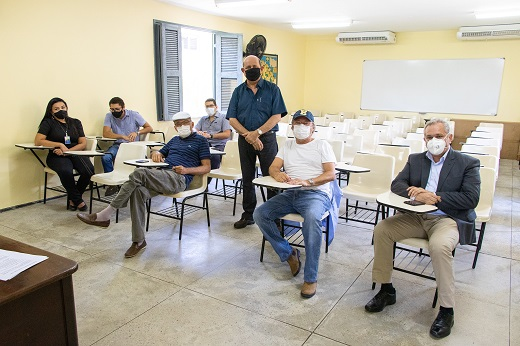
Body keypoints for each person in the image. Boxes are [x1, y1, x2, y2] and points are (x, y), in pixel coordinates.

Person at [365, 118, 480, 339]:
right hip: (416, 217)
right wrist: (417, 193)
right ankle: (386, 289)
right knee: (382, 229)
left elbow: (471, 198)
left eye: (438, 136)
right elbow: (397, 184)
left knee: (439, 246)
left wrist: (435, 198)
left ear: (449, 137)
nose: (433, 141)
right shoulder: (416, 159)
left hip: (446, 219)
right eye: (429, 137)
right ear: (424, 139)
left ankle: (447, 310)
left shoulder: (467, 163)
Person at [77, 112, 210, 258]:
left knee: (140, 173)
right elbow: (160, 151)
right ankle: (139, 241)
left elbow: (206, 167)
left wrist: (187, 170)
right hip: (162, 176)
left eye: (185, 123)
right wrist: (157, 153)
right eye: (178, 124)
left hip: (179, 179)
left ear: (191, 124)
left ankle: (106, 214)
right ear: (175, 127)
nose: (182, 126)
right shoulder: (174, 140)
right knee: (138, 191)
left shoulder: (200, 141)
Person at [253, 110, 337, 298]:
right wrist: (277, 174)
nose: (301, 127)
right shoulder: (287, 145)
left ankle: (310, 278)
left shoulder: (322, 145)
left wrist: (310, 181)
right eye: (297, 123)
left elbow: (331, 174)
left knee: (311, 219)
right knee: (260, 214)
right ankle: (289, 253)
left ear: (313, 128)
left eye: (305, 123)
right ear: (291, 127)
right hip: (291, 193)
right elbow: (273, 167)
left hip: (315, 194)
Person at [226, 55, 287, 229]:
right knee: (247, 178)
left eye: (255, 66)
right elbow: (232, 119)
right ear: (243, 71)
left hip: (267, 138)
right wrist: (249, 136)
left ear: (261, 68)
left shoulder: (272, 89)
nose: (252, 69)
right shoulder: (238, 91)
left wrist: (258, 133)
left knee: (271, 176)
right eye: (248, 67)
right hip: (245, 139)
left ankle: (273, 216)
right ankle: (248, 214)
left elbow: (277, 116)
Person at [35, 97, 94, 211]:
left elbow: (82, 143)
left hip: (74, 151)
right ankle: (78, 200)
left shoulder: (75, 122)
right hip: (56, 153)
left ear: (67, 108)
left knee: (89, 170)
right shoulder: (48, 122)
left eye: (63, 107)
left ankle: (73, 199)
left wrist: (68, 151)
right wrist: (60, 145)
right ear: (51, 111)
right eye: (56, 109)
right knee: (66, 171)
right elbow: (38, 141)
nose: (61, 110)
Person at [102, 97, 153, 195]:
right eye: (112, 109)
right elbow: (106, 133)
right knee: (106, 157)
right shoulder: (109, 116)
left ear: (123, 107)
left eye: (117, 109)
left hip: (133, 146)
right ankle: (113, 185)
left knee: (130, 165)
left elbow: (149, 128)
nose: (114, 111)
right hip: (118, 145)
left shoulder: (134, 115)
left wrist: (137, 132)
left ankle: (131, 184)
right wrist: (121, 136)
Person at [194, 98, 232, 170]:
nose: (209, 108)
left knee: (213, 157)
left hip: (219, 145)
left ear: (216, 107)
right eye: (207, 106)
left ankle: (207, 178)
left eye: (211, 106)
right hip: (205, 145)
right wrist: (199, 133)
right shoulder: (203, 119)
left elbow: (227, 134)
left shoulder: (224, 117)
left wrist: (210, 136)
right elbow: (195, 129)